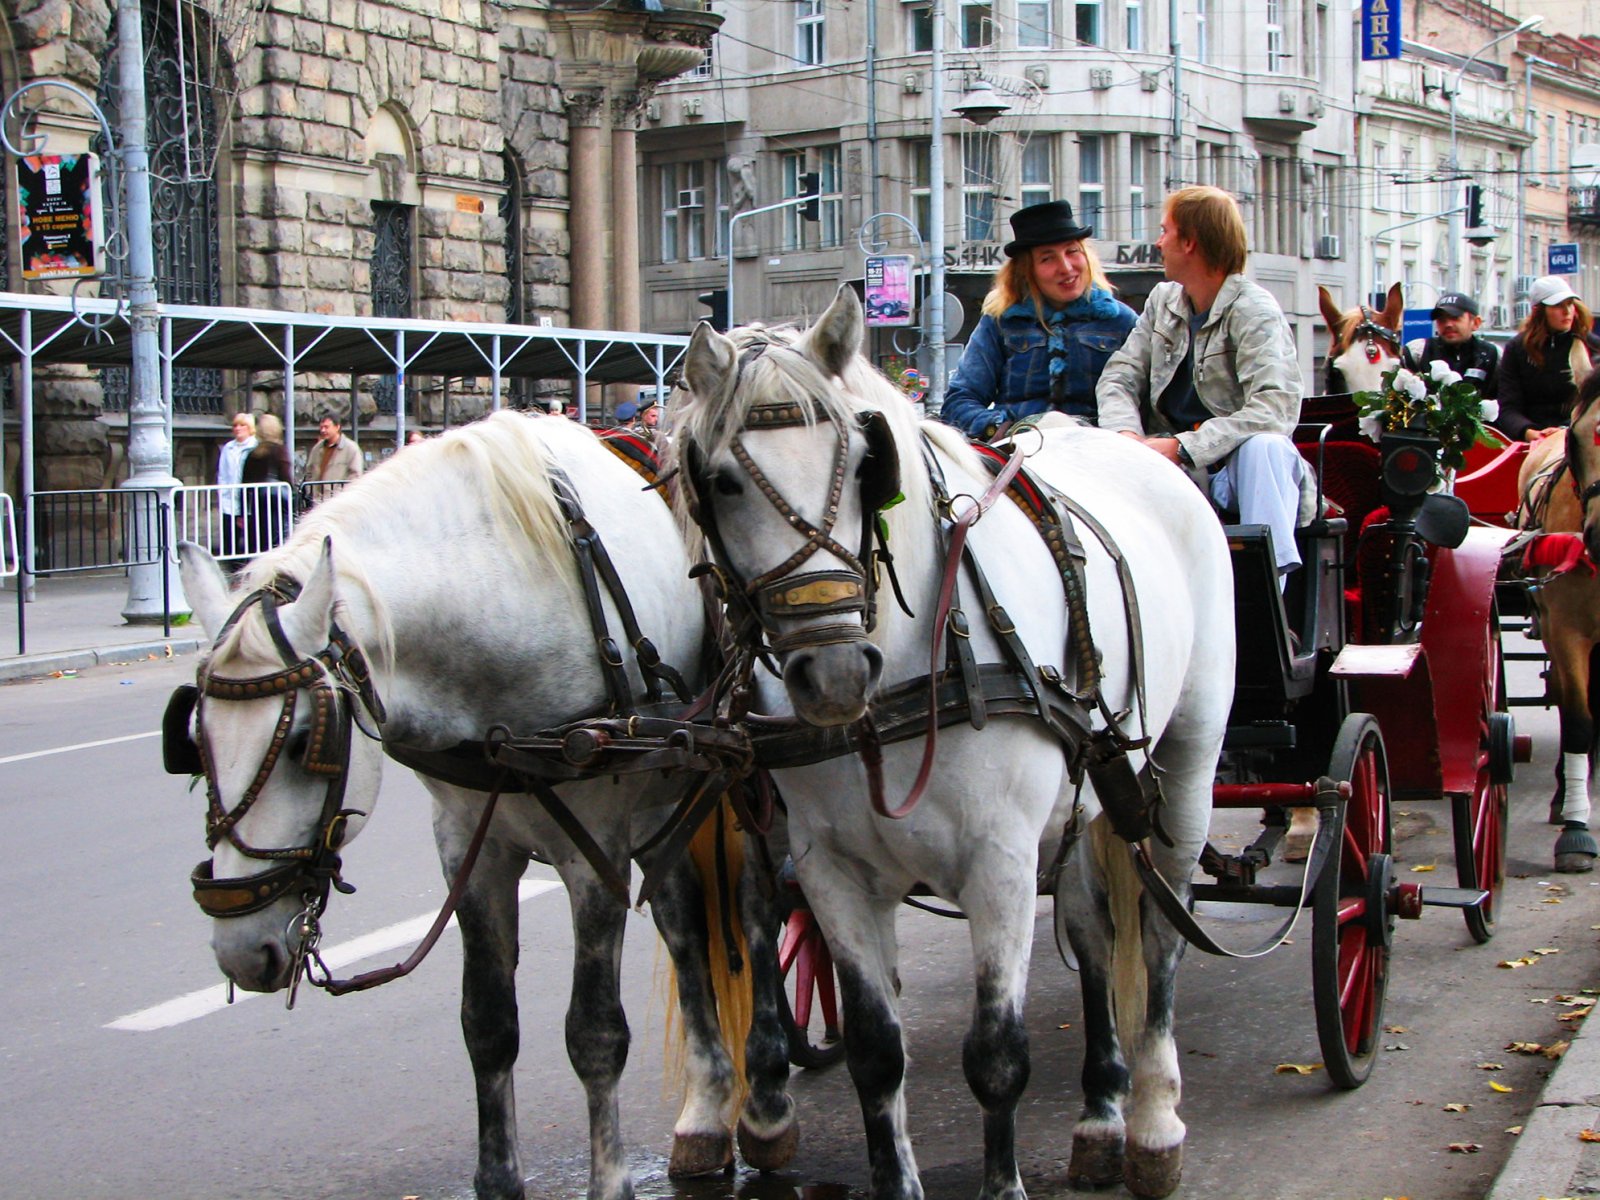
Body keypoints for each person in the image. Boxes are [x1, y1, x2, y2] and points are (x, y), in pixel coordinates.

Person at [1096, 185, 1312, 576]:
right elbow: (1119, 375)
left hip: (1231, 471)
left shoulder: (1254, 309)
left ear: (1190, 242)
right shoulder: (1162, 301)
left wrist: (1183, 447)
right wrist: (1125, 435)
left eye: (1165, 231)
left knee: (1267, 448)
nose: (1158, 242)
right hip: (1168, 464)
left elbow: (1275, 407)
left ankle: (1267, 592)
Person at [941, 199, 1137, 439]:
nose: (1066, 267)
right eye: (1048, 258)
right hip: (1020, 456)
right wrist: (1006, 428)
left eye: (1072, 251)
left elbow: (1144, 401)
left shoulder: (1121, 321)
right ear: (1026, 270)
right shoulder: (1001, 322)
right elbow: (959, 402)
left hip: (1097, 456)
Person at [1494, 276, 1600, 443]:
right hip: (1533, 441)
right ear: (1538, 311)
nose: (1567, 312)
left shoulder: (1592, 346)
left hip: (1579, 437)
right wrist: (1527, 431)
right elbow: (1508, 407)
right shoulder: (1517, 348)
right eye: (1558, 305)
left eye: (1570, 304)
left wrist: (1564, 428)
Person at [1401, 291, 1499, 399]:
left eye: (1455, 318)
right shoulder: (1418, 353)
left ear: (1475, 323)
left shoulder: (1493, 355)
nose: (1448, 324)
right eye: (1441, 320)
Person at [241, 412, 294, 553]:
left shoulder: (252, 455)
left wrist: (243, 512)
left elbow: (244, 485)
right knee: (277, 544)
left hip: (258, 508)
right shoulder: (280, 452)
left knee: (259, 545)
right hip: (277, 508)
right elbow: (287, 479)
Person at [216, 411, 256, 558]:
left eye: (242, 425)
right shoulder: (228, 448)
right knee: (230, 539)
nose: (238, 428)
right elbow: (223, 473)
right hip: (230, 500)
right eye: (235, 425)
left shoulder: (255, 446)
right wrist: (222, 494)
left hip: (249, 500)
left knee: (251, 539)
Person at [304, 413, 363, 482]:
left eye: (326, 427)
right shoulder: (317, 449)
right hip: (317, 491)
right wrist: (310, 488)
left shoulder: (351, 448)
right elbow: (309, 471)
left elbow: (355, 475)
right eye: (321, 427)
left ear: (337, 427)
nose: (323, 430)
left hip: (340, 492)